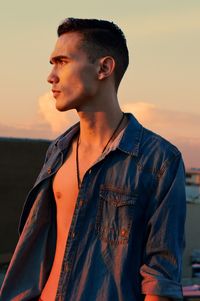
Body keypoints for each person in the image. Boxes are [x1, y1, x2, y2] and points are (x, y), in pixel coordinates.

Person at [0, 18, 186, 301]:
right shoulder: (58, 152)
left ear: (104, 68)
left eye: (62, 61)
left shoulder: (159, 160)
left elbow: (160, 279)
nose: (51, 76)